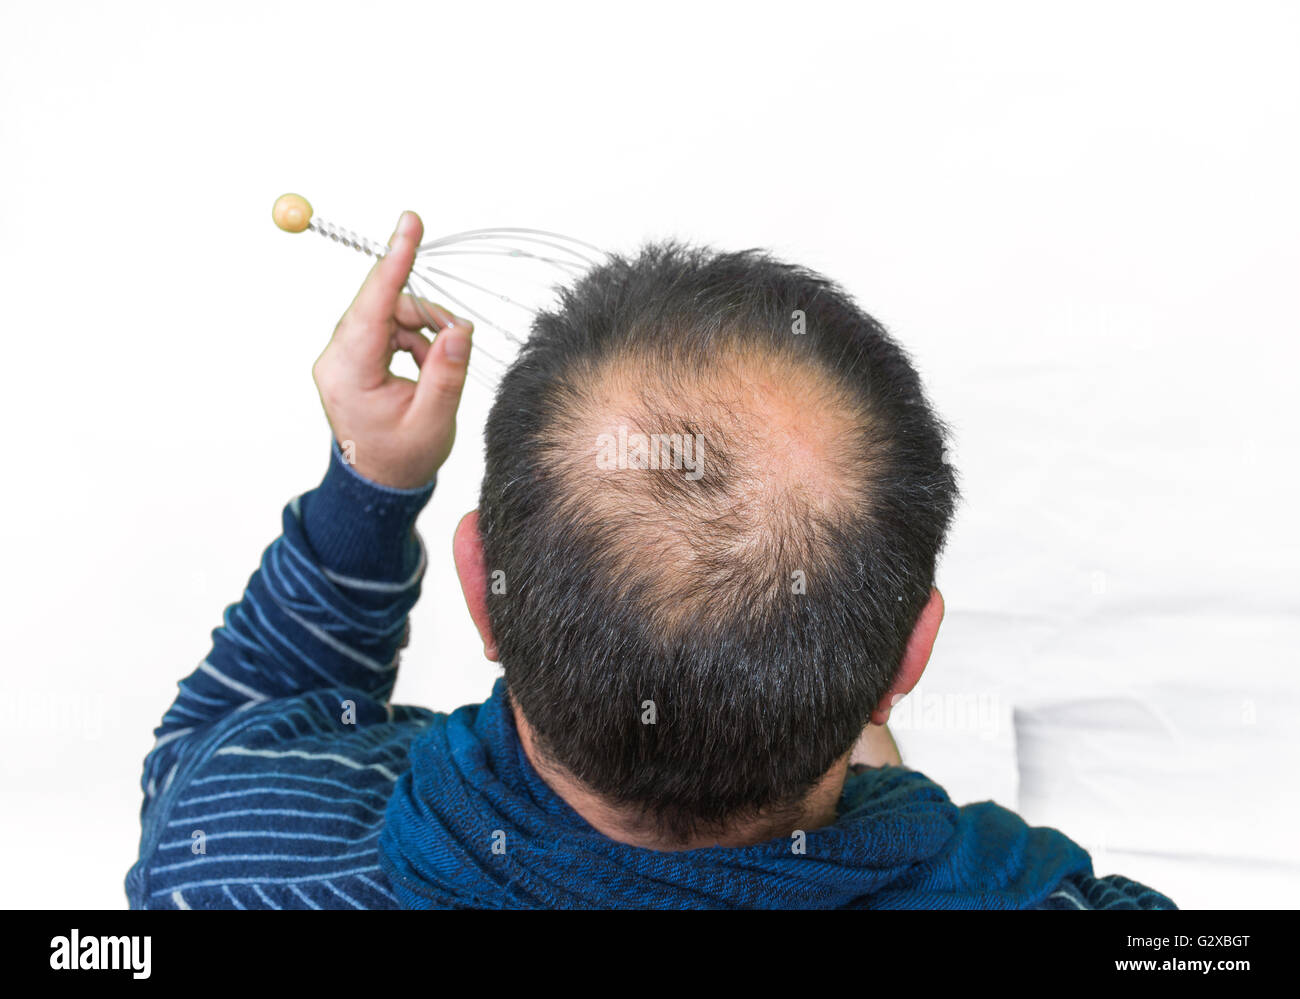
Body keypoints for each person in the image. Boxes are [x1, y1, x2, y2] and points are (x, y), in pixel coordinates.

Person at [127, 211, 1175, 909]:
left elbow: (208, 743)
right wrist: (881, 793)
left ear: (483, 597)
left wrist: (372, 484)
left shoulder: (245, 852)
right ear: (907, 657)